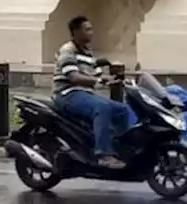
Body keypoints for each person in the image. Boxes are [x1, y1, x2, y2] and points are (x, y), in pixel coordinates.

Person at [52, 15, 130, 168]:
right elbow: (74, 77)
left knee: (123, 110)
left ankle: (116, 147)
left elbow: (97, 74)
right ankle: (103, 154)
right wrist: (100, 81)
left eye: (91, 29)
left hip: (84, 94)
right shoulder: (68, 50)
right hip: (68, 94)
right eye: (87, 29)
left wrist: (117, 80)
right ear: (75, 32)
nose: (91, 32)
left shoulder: (87, 52)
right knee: (101, 107)